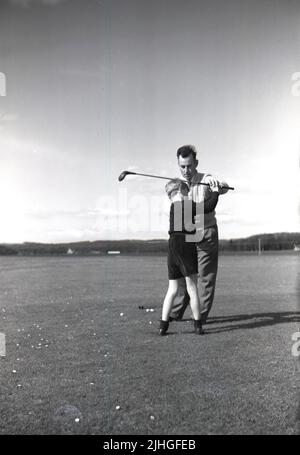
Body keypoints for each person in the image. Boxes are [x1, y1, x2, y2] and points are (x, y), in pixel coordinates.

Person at [169, 145, 229, 324]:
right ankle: (176, 312)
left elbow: (224, 187)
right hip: (186, 233)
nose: (186, 171)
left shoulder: (206, 178)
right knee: (184, 275)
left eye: (189, 166)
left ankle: (200, 316)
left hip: (206, 230)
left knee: (205, 277)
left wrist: (217, 184)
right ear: (178, 164)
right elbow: (180, 205)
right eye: (182, 166)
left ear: (196, 163)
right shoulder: (175, 185)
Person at [159, 178, 219, 336]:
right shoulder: (186, 205)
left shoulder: (173, 207)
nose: (189, 194)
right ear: (180, 192)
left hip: (172, 247)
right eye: (187, 191)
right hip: (186, 245)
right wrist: (215, 191)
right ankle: (198, 326)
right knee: (192, 288)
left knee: (172, 289)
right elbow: (208, 206)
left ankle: (163, 326)